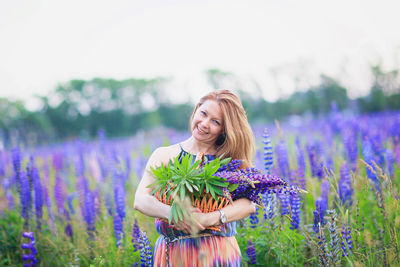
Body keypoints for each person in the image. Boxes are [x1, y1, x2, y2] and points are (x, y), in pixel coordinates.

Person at [134, 89, 256, 266]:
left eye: (215, 122)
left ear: (224, 129)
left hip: (218, 253)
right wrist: (174, 215)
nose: (205, 124)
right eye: (203, 113)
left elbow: (248, 205)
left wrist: (210, 218)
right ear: (196, 109)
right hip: (174, 252)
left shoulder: (229, 161)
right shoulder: (165, 155)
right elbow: (140, 200)